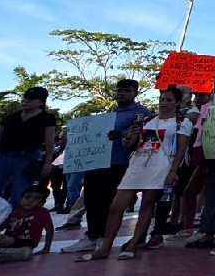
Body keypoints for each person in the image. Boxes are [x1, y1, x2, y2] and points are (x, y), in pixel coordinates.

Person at [79, 87, 192, 261]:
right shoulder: (147, 120)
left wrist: (173, 171)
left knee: (147, 205)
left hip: (160, 165)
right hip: (137, 164)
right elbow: (128, 143)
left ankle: (133, 244)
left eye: (169, 100)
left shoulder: (182, 123)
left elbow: (181, 150)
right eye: (162, 99)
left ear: (177, 103)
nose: (164, 103)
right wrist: (129, 136)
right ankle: (105, 247)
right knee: (116, 207)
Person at [61, 80, 152, 254]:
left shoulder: (142, 113)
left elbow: (143, 137)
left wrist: (123, 135)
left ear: (135, 93)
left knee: (108, 202)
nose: (122, 93)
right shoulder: (110, 114)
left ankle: (104, 237)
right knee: (91, 199)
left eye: (127, 90)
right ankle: (92, 236)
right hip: (96, 162)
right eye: (119, 90)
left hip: (118, 163)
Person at [0, 87, 57, 207]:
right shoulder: (10, 118)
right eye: (25, 98)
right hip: (1, 158)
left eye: (31, 99)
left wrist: (48, 162)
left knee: (19, 197)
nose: (26, 101)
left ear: (41, 102)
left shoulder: (47, 118)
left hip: (27, 158)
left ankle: (14, 224)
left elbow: (49, 141)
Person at [0, 184, 53, 264]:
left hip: (24, 244)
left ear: (42, 203)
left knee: (26, 253)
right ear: (20, 200)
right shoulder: (12, 214)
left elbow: (49, 230)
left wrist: (46, 248)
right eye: (28, 197)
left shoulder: (42, 212)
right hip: (5, 242)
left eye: (37, 198)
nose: (31, 200)